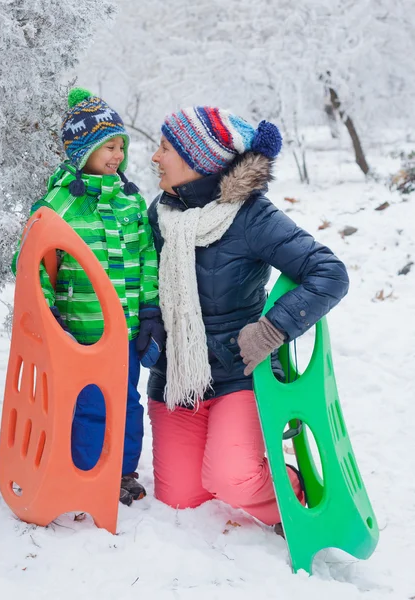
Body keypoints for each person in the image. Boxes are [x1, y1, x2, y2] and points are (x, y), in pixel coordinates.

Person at [146, 106, 349, 530]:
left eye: (164, 148)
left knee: (231, 480)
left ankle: (300, 501)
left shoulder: (252, 216)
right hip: (179, 378)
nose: (155, 158)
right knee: (182, 499)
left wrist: (272, 329)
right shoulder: (160, 214)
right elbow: (143, 282)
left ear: (195, 160)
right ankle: (242, 458)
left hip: (242, 373)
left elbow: (329, 273)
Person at [13, 87, 165, 506]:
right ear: (82, 151)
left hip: (129, 329)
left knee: (128, 403)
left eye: (120, 146)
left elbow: (146, 255)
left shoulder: (130, 199)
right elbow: (30, 263)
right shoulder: (59, 204)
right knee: (89, 403)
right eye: (107, 147)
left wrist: (149, 310)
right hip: (79, 332)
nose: (117, 155)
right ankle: (83, 469)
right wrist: (49, 316)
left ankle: (122, 472)